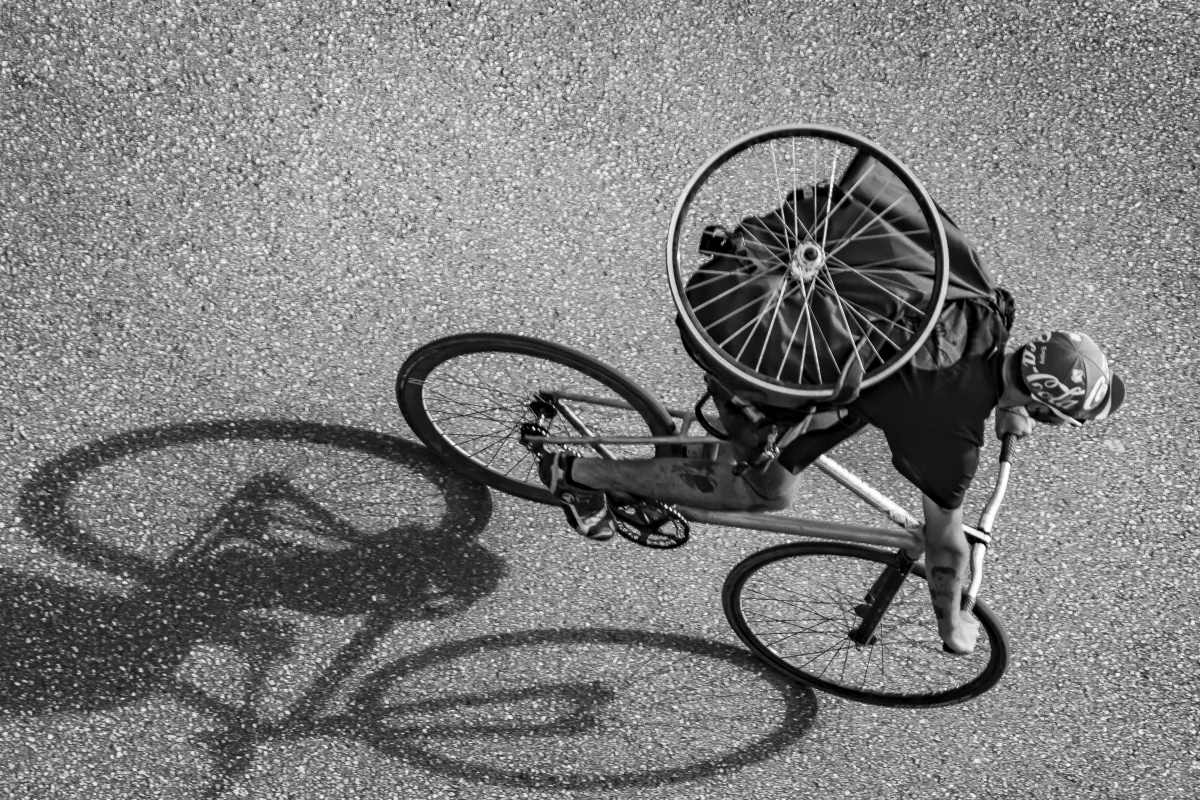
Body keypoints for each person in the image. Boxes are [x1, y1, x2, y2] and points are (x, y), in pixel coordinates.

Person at [531, 196, 1125, 656]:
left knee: (815, 428)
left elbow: (963, 368)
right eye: (1057, 414)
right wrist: (953, 621)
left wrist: (1004, 401)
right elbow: (945, 548)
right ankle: (577, 473)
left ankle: (705, 450)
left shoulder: (986, 312)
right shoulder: (951, 438)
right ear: (1045, 408)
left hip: (820, 322)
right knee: (765, 490)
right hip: (763, 343)